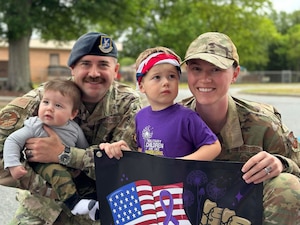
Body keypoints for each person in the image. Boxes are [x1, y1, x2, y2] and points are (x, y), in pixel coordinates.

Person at [0, 32, 142, 224]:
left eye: (103, 65)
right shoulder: (46, 97)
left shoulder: (128, 103)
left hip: (100, 207)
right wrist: (49, 186)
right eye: (85, 64)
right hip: (44, 206)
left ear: (115, 69)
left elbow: (125, 167)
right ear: (72, 68)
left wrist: (63, 153)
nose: (94, 73)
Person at [180, 32, 300, 224]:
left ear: (234, 74)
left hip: (243, 215)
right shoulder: (170, 120)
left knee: (288, 185)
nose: (205, 79)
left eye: (216, 69)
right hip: (187, 213)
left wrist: (281, 163)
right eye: (196, 69)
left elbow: (297, 166)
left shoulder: (262, 123)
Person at [3, 79, 99, 220]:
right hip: (43, 164)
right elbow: (13, 141)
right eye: (46, 102)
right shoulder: (35, 126)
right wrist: (13, 165)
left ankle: (93, 206)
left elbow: (83, 149)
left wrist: (80, 166)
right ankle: (73, 203)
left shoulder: (74, 129)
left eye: (58, 105)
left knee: (84, 180)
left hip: (68, 163)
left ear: (72, 114)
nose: (49, 108)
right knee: (58, 173)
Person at [134, 46, 221, 160]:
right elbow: (141, 148)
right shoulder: (140, 117)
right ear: (141, 86)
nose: (166, 82)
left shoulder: (187, 118)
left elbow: (213, 146)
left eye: (172, 76)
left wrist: (182, 164)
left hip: (180, 177)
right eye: (157, 77)